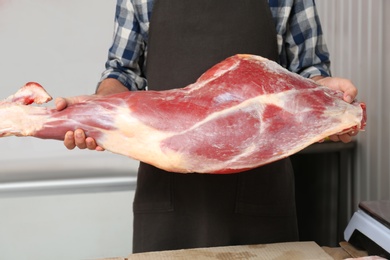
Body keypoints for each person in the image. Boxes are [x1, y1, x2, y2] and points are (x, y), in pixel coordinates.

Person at [56, 0, 359, 253]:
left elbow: (308, 71)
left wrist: (327, 98)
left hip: (261, 196)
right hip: (168, 199)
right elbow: (123, 72)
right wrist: (94, 110)